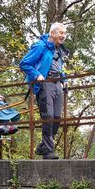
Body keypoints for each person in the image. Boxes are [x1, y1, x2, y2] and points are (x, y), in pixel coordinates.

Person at [19, 22, 69, 160]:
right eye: (61, 33)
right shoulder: (40, 46)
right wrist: (36, 74)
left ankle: (43, 146)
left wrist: (64, 80)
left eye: (64, 33)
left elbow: (59, 67)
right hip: (45, 84)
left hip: (57, 84)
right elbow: (24, 63)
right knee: (48, 117)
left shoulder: (58, 49)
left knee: (57, 118)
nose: (63, 36)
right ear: (53, 33)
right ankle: (48, 151)